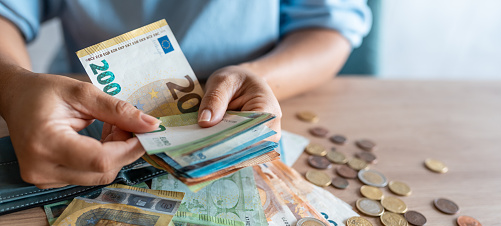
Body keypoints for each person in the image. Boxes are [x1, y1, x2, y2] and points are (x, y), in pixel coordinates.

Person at [0, 0, 371, 189]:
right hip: (80, 113)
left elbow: (327, 27)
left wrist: (259, 76)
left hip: (253, 93)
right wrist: (13, 85)